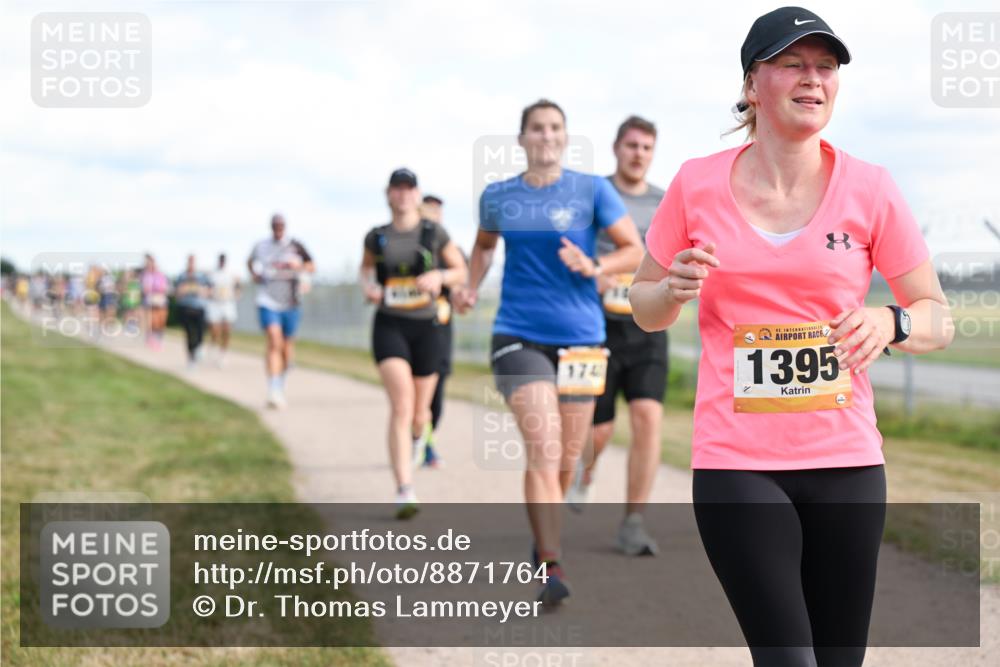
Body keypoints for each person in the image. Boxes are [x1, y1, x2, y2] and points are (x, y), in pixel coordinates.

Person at [629, 8, 953, 666]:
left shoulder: (870, 187)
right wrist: (671, 291)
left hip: (847, 464)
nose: (814, 78)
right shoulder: (695, 183)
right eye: (793, 64)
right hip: (737, 462)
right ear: (753, 83)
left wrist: (889, 321)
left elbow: (937, 316)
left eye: (826, 67)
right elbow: (644, 305)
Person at [454, 100, 643, 605]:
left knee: (568, 456)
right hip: (518, 335)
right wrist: (470, 285)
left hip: (582, 338)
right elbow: (484, 246)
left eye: (555, 127)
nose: (546, 136)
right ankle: (552, 562)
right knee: (544, 445)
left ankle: (543, 539)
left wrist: (596, 267)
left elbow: (634, 250)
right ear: (522, 139)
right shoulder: (499, 195)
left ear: (565, 136)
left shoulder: (592, 189)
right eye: (537, 128)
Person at [566, 115, 666, 558]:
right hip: (597, 325)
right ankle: (585, 470)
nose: (638, 154)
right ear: (616, 148)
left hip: (648, 327)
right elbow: (573, 248)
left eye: (646, 147)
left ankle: (633, 522)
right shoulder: (594, 196)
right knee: (599, 431)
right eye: (631, 145)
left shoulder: (665, 202)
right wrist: (598, 274)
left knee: (648, 417)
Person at [361, 169, 468, 518]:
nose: (403, 194)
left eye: (409, 188)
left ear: (417, 194)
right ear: (388, 194)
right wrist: (369, 287)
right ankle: (404, 488)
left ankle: (420, 438)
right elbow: (366, 270)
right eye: (397, 188)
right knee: (401, 405)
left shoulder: (434, 232)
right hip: (390, 324)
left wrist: (440, 275)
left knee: (421, 413)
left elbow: (460, 271)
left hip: (428, 327)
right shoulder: (376, 237)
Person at [248, 214, 315, 408]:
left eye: (281, 225)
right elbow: (249, 262)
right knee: (274, 340)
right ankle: (273, 389)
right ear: (271, 226)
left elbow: (312, 266)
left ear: (285, 227)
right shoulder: (261, 246)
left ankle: (280, 381)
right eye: (275, 225)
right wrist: (255, 275)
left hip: (291, 302)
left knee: (286, 349)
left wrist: (300, 267)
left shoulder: (296, 245)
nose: (278, 228)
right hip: (268, 300)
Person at [420, 193, 449, 468]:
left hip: (442, 332)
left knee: (436, 397)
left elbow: (462, 282)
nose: (433, 215)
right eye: (428, 210)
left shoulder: (450, 251)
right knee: (415, 397)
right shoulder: (413, 247)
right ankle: (422, 443)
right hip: (413, 329)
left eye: (437, 211)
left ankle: (426, 440)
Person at [174, 254, 211, 368]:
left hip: (199, 307)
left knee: (200, 332)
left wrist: (201, 291)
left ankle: (199, 348)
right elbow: (176, 293)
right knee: (189, 334)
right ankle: (191, 358)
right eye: (190, 261)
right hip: (186, 307)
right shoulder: (182, 276)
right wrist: (182, 290)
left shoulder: (202, 276)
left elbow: (209, 291)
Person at [207, 253, 241, 367]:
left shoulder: (231, 273)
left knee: (227, 330)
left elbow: (238, 286)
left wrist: (237, 294)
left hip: (228, 303)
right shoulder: (213, 274)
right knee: (215, 330)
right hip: (215, 303)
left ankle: (223, 354)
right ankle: (213, 345)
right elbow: (208, 287)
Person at [141, 254, 169, 349]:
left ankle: (158, 338)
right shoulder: (146, 275)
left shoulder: (160, 275)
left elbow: (164, 287)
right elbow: (145, 289)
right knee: (152, 321)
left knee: (160, 321)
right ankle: (151, 338)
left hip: (160, 300)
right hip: (150, 301)